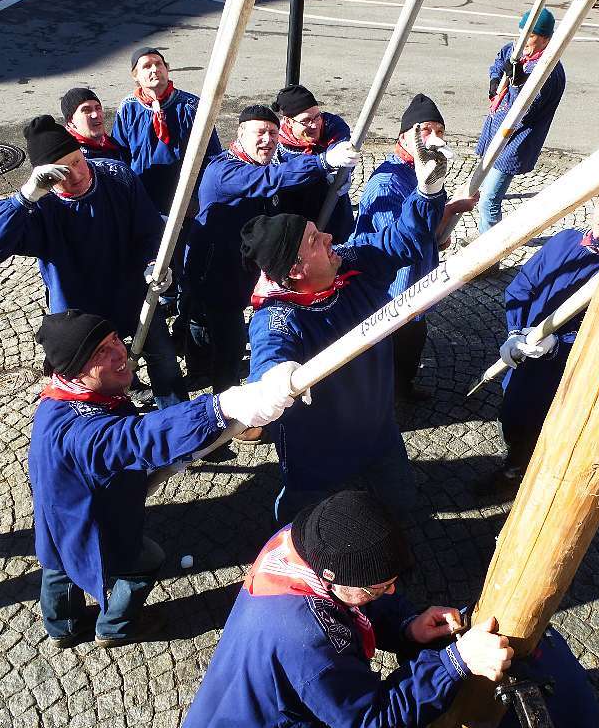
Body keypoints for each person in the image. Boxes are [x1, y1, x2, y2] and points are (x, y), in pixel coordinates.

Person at [30, 309, 297, 648]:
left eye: (115, 340)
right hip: (94, 524)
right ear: (75, 371)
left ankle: (62, 628)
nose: (120, 353)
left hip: (57, 520)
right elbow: (139, 438)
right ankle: (116, 626)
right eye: (100, 352)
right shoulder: (80, 434)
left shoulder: (58, 401)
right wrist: (224, 406)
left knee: (57, 566)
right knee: (146, 561)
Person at [242, 124, 449, 523]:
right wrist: (275, 378)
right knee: (310, 522)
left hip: (378, 430)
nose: (329, 237)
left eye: (318, 231)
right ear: (296, 269)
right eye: (315, 240)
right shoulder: (280, 316)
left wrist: (427, 193)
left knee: (403, 508)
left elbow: (400, 241)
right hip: (319, 450)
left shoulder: (348, 260)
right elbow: (269, 360)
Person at [181, 490, 514, 727]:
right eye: (380, 588)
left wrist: (406, 626)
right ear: (333, 580)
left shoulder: (307, 541)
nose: (391, 591)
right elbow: (372, 719)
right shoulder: (312, 642)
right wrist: (453, 663)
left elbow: (353, 598)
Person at [0, 115, 188, 409]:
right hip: (80, 315)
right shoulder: (39, 208)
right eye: (61, 172)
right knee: (98, 385)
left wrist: (155, 263)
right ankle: (118, 433)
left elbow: (149, 230)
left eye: (76, 161)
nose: (75, 175)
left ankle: (180, 426)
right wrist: (25, 197)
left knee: (165, 364)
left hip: (134, 298)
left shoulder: (117, 176)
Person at [182, 105, 360, 394]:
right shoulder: (223, 170)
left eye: (274, 133)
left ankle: (201, 365)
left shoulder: (266, 164)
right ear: (240, 134)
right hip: (215, 272)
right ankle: (224, 406)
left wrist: (331, 188)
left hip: (244, 270)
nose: (268, 139)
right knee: (229, 340)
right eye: (260, 132)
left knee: (206, 323)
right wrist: (322, 163)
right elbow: (267, 182)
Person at [479, 175, 599, 497]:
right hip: (526, 353)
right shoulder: (564, 241)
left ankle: (521, 472)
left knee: (548, 426)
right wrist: (515, 331)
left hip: (566, 369)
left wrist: (558, 344)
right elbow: (522, 287)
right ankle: (519, 457)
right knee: (513, 413)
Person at [353, 95, 478, 400]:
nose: (435, 138)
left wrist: (440, 233)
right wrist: (448, 211)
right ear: (404, 137)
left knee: (414, 338)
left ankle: (403, 388)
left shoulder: (426, 168)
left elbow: (428, 230)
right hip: (392, 289)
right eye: (425, 131)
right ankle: (387, 400)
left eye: (440, 131)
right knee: (395, 343)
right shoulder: (386, 183)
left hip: (417, 279)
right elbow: (398, 241)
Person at [476, 8, 566, 236]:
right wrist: (496, 79)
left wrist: (517, 84)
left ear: (545, 39)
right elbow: (500, 59)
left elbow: (526, 111)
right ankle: (484, 237)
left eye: (531, 36)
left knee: (489, 200)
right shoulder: (518, 50)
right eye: (521, 33)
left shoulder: (548, 70)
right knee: (483, 186)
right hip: (495, 130)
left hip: (514, 142)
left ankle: (488, 255)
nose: (523, 40)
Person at [112, 46, 223, 215]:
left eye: (159, 64)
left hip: (183, 201)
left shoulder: (191, 107)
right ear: (135, 75)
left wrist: (196, 197)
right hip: (142, 199)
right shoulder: (128, 108)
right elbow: (120, 155)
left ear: (167, 69)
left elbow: (211, 156)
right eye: (147, 66)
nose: (155, 69)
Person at [272, 84, 357, 243]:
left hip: (336, 217)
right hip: (300, 225)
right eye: (306, 120)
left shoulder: (331, 126)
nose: (314, 125)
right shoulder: (276, 148)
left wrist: (343, 171)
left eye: (317, 116)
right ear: (288, 122)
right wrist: (323, 163)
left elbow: (343, 144)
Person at [60, 87, 130, 166]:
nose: (96, 115)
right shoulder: (69, 157)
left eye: (98, 108)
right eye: (86, 110)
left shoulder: (112, 145)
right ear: (70, 120)